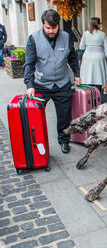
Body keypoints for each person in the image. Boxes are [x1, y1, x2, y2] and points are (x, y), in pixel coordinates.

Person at [24, 9, 81, 154]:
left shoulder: (66, 37)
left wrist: (77, 74)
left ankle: (64, 141)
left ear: (58, 25)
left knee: (64, 115)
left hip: (62, 84)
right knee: (35, 115)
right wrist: (29, 85)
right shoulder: (34, 38)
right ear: (43, 24)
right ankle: (36, 143)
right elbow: (29, 64)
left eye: (54, 28)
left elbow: (72, 57)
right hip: (41, 85)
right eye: (47, 28)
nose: (51, 31)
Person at [79, 17, 107, 92]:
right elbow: (106, 48)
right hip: (99, 57)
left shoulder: (86, 33)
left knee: (88, 77)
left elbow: (81, 47)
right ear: (98, 24)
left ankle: (89, 97)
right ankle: (98, 96)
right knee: (98, 79)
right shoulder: (102, 34)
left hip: (87, 57)